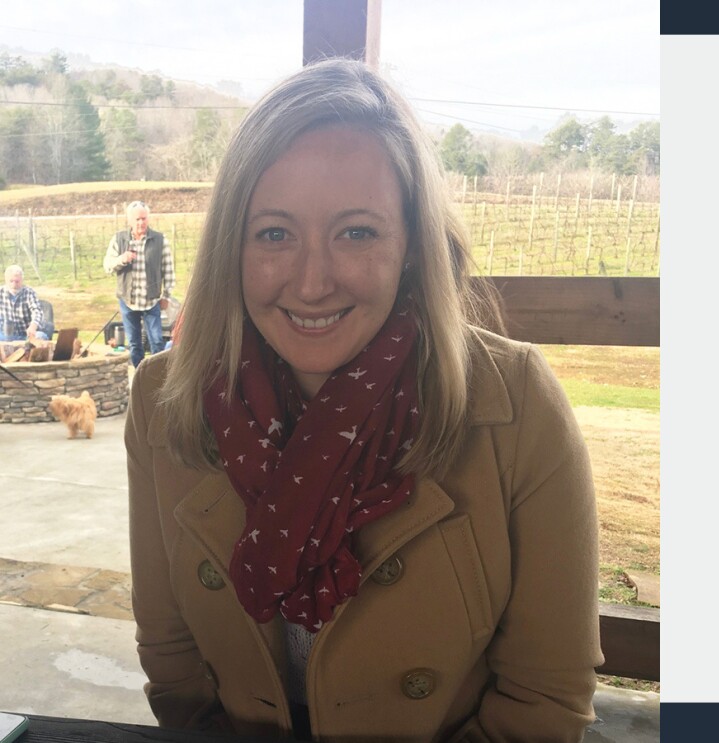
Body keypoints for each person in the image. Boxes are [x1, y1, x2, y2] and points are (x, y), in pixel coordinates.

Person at [126, 59, 602, 743]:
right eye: (274, 233)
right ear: (232, 246)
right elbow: (174, 664)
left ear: (411, 245)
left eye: (356, 231)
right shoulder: (163, 400)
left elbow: (543, 699)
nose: (313, 280)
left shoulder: (517, 405)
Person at [104, 200, 175, 367]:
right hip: (128, 301)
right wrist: (123, 259)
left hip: (152, 300)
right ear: (129, 220)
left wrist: (166, 296)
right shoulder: (118, 239)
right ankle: (139, 379)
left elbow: (169, 270)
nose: (141, 222)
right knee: (135, 344)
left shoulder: (159, 240)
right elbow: (107, 266)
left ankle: (159, 378)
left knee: (157, 342)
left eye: (144, 218)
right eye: (137, 219)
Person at [1, 265, 48, 342]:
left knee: (40, 336)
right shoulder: (1, 292)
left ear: (22, 280)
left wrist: (33, 326)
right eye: (11, 281)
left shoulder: (29, 292)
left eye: (17, 281)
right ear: (6, 280)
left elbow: (37, 311)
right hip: (5, 335)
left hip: (26, 335)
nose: (14, 284)